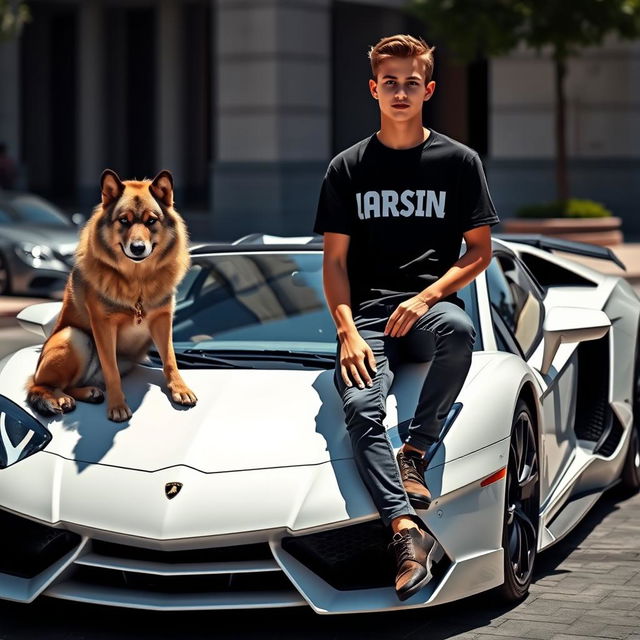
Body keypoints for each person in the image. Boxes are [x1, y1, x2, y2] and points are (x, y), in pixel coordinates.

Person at [313, 34, 500, 602]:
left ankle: (415, 451)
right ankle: (403, 529)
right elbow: (335, 262)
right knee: (361, 406)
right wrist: (346, 330)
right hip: (367, 316)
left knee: (460, 331)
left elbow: (479, 252)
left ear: (428, 89)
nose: (400, 92)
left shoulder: (459, 162)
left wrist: (425, 298)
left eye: (411, 83)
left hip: (428, 311)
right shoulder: (347, 167)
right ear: (374, 88)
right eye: (389, 83)